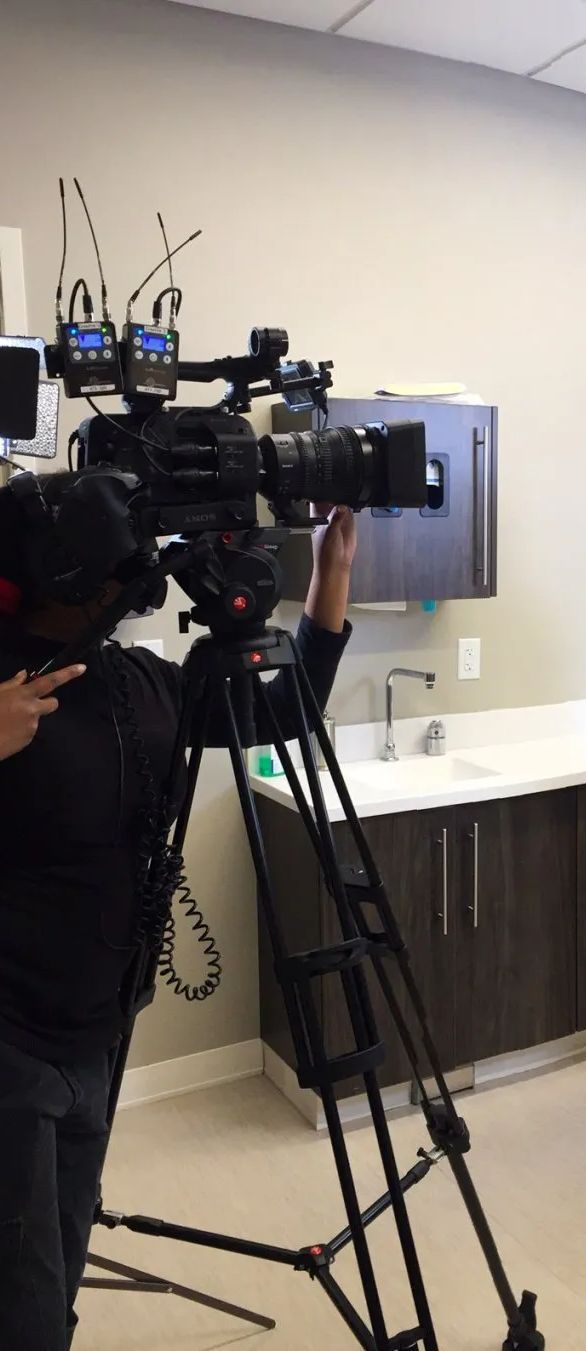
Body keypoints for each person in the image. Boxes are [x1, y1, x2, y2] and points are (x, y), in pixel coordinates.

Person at [0, 481, 357, 1349]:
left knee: (61, 1263)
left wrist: (329, 578)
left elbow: (278, 710)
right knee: (26, 1309)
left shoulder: (136, 683)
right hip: (9, 1042)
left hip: (99, 1029)